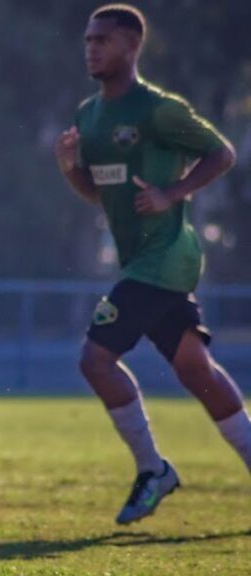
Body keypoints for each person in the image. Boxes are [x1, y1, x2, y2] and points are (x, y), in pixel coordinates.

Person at [54, 4, 251, 526]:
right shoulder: (89, 116)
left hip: (165, 257)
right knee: (195, 369)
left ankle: (152, 469)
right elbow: (96, 193)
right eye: (88, 40)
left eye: (102, 40)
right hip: (142, 262)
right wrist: (70, 169)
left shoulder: (157, 110)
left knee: (93, 359)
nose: (91, 48)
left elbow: (223, 153)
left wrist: (173, 193)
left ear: (131, 46)